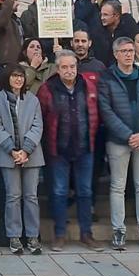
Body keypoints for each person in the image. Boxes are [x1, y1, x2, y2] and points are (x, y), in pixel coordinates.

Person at [98, 37, 139, 251]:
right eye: (124, 51)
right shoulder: (107, 78)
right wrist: (128, 135)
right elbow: (106, 111)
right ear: (115, 54)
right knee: (118, 186)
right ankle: (119, 230)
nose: (128, 54)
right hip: (119, 141)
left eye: (131, 51)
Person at [37, 51, 101, 251]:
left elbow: (97, 113)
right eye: (64, 67)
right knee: (58, 192)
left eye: (72, 66)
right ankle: (59, 234)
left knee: (85, 191)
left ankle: (86, 233)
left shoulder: (88, 86)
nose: (69, 70)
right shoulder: (47, 89)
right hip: (58, 149)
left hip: (85, 147)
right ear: (57, 69)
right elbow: (41, 118)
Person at [0, 64, 44, 255]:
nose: (18, 79)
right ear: (7, 78)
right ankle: (14, 235)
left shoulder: (32, 100)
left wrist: (26, 150)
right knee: (13, 196)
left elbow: (38, 126)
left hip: (31, 155)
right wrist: (12, 150)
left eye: (21, 76)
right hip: (7, 155)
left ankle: (32, 236)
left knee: (31, 196)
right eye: (14, 76)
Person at [88, 0, 138, 67]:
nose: (102, 18)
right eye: (101, 14)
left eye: (106, 15)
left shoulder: (128, 28)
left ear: (116, 16)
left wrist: (126, 15)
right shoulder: (97, 31)